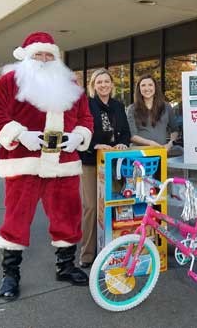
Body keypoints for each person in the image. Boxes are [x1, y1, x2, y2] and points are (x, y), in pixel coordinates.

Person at [0, 32, 93, 301]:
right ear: (27, 56)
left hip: (63, 164)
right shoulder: (11, 81)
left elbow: (85, 118)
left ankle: (65, 266)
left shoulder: (70, 83)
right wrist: (21, 135)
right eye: (38, 55)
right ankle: (11, 274)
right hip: (24, 162)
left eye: (48, 55)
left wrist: (77, 137)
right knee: (16, 217)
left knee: (68, 214)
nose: (44, 59)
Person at [78, 68, 131, 268]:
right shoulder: (87, 104)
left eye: (106, 81)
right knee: (92, 206)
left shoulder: (118, 106)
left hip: (114, 162)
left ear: (111, 84)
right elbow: (79, 131)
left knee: (116, 204)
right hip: (91, 161)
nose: (103, 85)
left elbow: (126, 132)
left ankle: (112, 248)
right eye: (99, 82)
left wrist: (123, 144)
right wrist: (94, 145)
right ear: (93, 85)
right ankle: (87, 254)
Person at [127, 74, 180, 154]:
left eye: (150, 85)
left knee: (180, 151)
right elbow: (132, 136)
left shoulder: (166, 106)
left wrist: (170, 144)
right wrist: (150, 143)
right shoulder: (132, 109)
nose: (147, 88)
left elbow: (175, 130)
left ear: (155, 87)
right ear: (139, 89)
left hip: (163, 151)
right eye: (143, 85)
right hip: (141, 153)